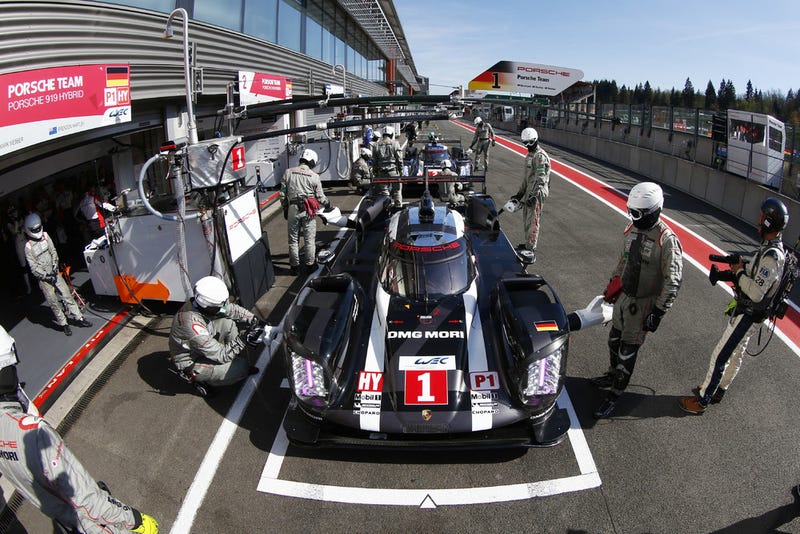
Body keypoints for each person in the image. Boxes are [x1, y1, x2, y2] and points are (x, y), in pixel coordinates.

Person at [0, 325, 158, 533]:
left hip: (62, 515)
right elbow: (87, 501)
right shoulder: (32, 432)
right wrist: (134, 519)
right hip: (89, 522)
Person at [680, 197, 788, 414]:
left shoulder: (772, 256)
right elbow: (757, 278)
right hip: (754, 313)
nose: (758, 220)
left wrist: (738, 273)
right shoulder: (770, 248)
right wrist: (740, 268)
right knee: (737, 353)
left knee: (720, 355)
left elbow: (757, 293)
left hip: (749, 313)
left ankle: (702, 400)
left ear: (768, 222)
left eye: (761, 217)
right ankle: (720, 388)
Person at [591, 182, 683, 418]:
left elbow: (673, 280)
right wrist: (612, 285)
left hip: (643, 305)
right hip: (625, 297)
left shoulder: (667, 240)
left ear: (653, 211)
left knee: (627, 351)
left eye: (637, 213)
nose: (632, 217)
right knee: (613, 340)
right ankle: (612, 374)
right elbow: (623, 261)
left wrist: (658, 312)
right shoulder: (631, 230)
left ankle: (615, 394)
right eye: (630, 211)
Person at [168, 275, 263, 388]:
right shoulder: (192, 328)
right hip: (190, 361)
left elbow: (229, 309)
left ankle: (226, 359)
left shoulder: (202, 304)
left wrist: (254, 319)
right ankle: (198, 378)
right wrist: (244, 338)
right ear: (207, 306)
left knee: (228, 323)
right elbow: (221, 355)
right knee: (241, 368)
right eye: (219, 307)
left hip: (198, 345)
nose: (223, 308)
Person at [23, 213, 92, 336]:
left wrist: (55, 265)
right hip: (44, 278)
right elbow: (33, 267)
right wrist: (45, 276)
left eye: (38, 228)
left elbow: (53, 251)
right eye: (34, 230)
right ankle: (64, 324)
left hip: (54, 272)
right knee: (53, 301)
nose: (37, 231)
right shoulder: (28, 247)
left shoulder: (45, 236)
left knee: (66, 294)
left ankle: (79, 318)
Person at [280, 149, 329, 275]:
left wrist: (286, 209)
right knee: (309, 239)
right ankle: (310, 265)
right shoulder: (314, 176)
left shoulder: (288, 172)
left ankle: (294, 267)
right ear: (312, 161)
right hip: (308, 210)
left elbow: (282, 195)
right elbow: (320, 197)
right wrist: (328, 203)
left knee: (293, 240)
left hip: (292, 209)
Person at [508, 127, 551, 256]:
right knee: (527, 218)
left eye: (530, 143)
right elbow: (526, 179)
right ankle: (528, 243)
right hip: (529, 191)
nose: (527, 146)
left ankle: (531, 247)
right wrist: (519, 194)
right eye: (525, 143)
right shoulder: (529, 156)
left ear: (535, 140)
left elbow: (541, 179)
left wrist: (535, 196)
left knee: (533, 220)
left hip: (538, 193)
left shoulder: (540, 157)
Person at [372, 125, 404, 206]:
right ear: (391, 134)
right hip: (393, 171)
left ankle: (386, 207)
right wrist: (401, 170)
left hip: (381, 172)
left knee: (384, 192)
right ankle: (398, 207)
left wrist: (375, 171)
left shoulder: (376, 145)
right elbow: (399, 159)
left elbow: (374, 161)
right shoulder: (395, 143)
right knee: (397, 190)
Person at [6, 205, 32, 295]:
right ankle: (28, 286)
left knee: (31, 261)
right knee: (23, 265)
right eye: (12, 212)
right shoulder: (9, 224)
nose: (15, 213)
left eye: (15, 211)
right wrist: (16, 221)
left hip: (25, 241)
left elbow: (25, 229)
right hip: (19, 244)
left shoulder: (21, 219)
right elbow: (15, 232)